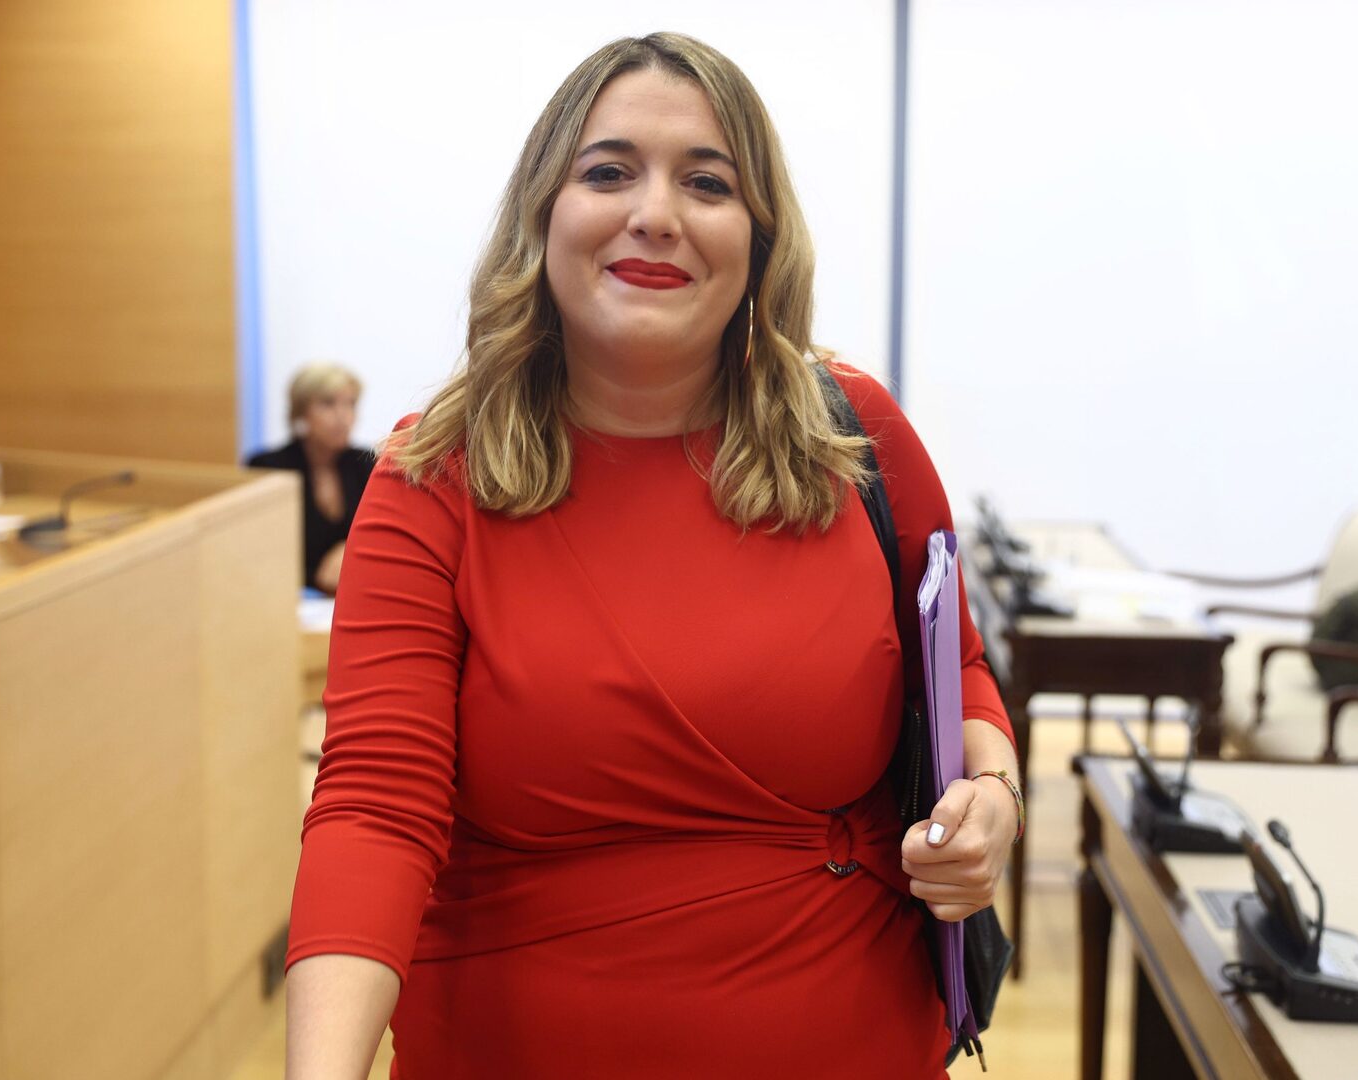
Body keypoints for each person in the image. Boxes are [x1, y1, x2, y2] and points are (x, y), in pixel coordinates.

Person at [285, 32, 1020, 1080]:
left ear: (759, 238)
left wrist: (992, 796)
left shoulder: (855, 436)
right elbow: (374, 808)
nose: (655, 214)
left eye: (707, 183)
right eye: (608, 172)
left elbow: (958, 672)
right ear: (543, 211)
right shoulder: (430, 473)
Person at [247, 363, 375, 594]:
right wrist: (318, 576)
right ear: (301, 411)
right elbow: (259, 553)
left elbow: (382, 539)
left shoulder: (366, 464)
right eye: (328, 403)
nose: (343, 416)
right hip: (286, 597)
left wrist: (349, 549)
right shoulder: (268, 468)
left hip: (350, 596)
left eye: (351, 404)